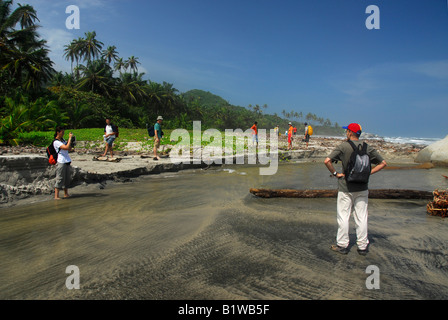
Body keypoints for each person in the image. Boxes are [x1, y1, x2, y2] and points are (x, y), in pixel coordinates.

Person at [324, 123, 387, 255]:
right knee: (362, 217)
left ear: (350, 133)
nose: (346, 133)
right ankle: (362, 246)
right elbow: (383, 163)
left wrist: (336, 174)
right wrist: (369, 173)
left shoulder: (343, 146)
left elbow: (327, 161)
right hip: (362, 187)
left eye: (347, 131)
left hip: (345, 187)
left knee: (343, 216)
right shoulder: (367, 147)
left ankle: (342, 245)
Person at [53, 127, 74, 200]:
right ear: (58, 132)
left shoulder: (63, 140)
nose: (63, 134)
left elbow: (69, 148)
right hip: (61, 161)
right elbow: (65, 147)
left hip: (67, 161)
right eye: (62, 132)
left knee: (67, 178)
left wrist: (71, 142)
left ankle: (66, 193)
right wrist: (70, 138)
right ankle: (56, 196)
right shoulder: (56, 142)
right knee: (60, 178)